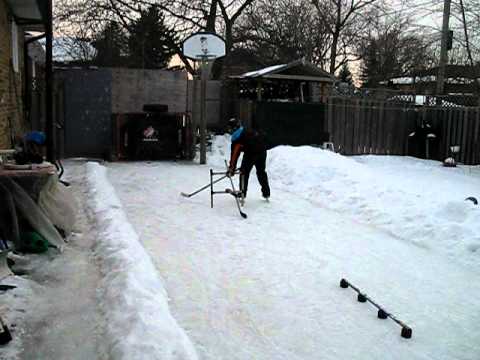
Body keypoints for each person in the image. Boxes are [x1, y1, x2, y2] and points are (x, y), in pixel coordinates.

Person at [227, 118, 270, 199]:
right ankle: (266, 193)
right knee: (261, 172)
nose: (229, 130)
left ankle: (242, 193)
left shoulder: (237, 137)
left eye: (229, 128)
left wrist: (231, 169)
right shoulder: (245, 130)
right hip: (262, 150)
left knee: (244, 172)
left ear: (234, 128)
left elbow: (234, 155)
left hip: (251, 152)